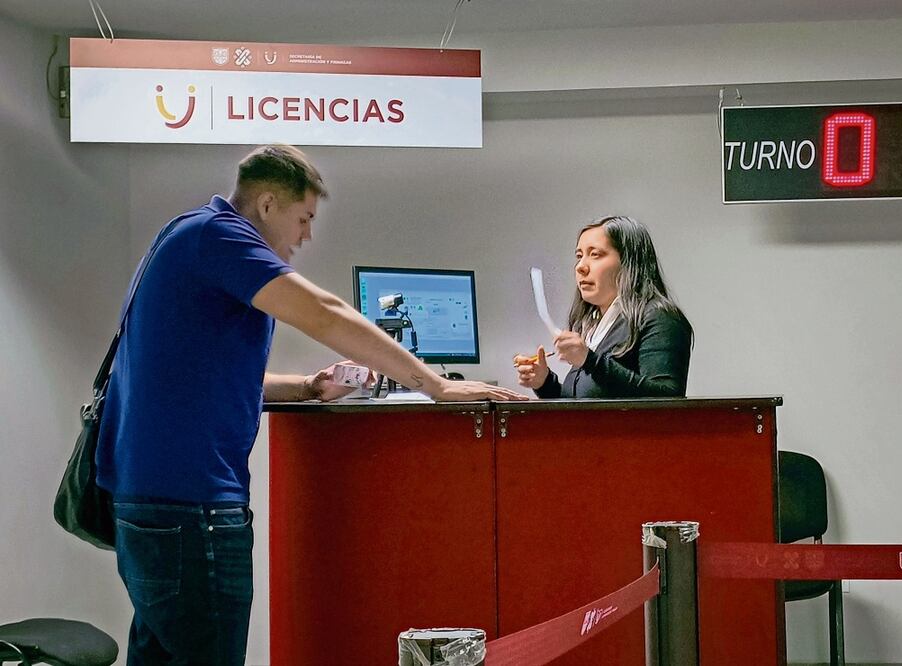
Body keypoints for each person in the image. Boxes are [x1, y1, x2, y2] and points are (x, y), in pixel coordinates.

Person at [95, 144, 525, 666]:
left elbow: (201, 378)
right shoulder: (220, 236)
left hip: (154, 504)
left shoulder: (184, 236)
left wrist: (305, 387)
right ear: (268, 204)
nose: (306, 236)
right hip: (193, 509)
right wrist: (436, 384)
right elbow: (322, 312)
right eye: (304, 218)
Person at [514, 215, 693, 398]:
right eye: (579, 256)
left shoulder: (660, 318)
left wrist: (590, 360)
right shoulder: (594, 325)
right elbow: (582, 408)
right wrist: (544, 382)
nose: (580, 267)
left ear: (628, 262)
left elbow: (667, 399)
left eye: (595, 255)